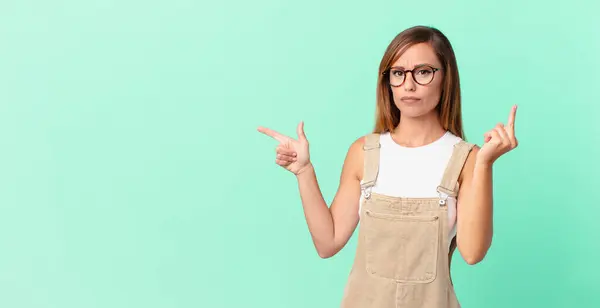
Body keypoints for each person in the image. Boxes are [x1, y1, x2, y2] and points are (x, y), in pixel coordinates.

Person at [257, 25, 518, 308]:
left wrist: (485, 164)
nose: (408, 85)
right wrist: (304, 172)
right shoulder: (364, 152)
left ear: (446, 78)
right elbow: (328, 243)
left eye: (423, 72)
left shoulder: (468, 159)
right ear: (388, 82)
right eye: (398, 73)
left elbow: (472, 253)